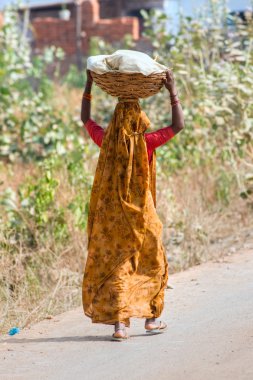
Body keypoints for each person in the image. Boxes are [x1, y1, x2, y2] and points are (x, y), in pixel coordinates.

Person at [81, 69, 184, 341]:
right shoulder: (147, 143)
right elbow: (177, 126)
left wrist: (89, 83)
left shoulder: (106, 142)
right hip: (144, 217)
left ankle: (120, 326)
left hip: (112, 218)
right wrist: (172, 92)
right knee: (154, 260)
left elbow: (85, 119)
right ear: (139, 119)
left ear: (115, 121)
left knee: (118, 266)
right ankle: (151, 319)